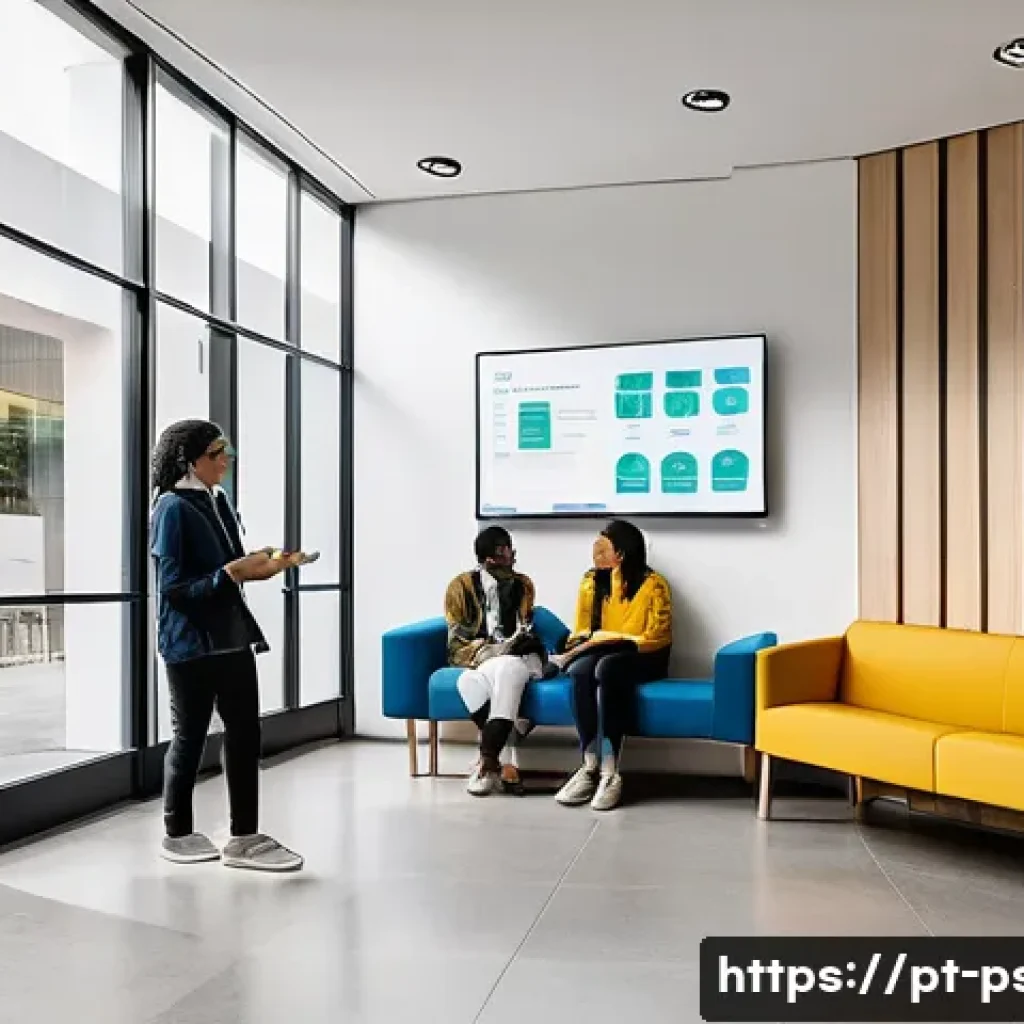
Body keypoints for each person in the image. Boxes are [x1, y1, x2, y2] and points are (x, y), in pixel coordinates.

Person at [150, 419, 304, 871]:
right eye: (217, 453)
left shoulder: (217, 501)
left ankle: (244, 835)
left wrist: (267, 564)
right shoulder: (172, 508)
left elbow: (228, 568)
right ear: (190, 461)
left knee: (244, 733)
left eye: (226, 451)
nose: (226, 460)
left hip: (231, 638)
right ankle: (176, 832)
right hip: (190, 644)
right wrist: (233, 574)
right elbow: (175, 588)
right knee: (190, 736)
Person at [553, 520, 672, 811]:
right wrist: (586, 643)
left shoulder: (654, 585)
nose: (596, 556)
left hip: (644, 655)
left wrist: (618, 640)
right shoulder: (591, 583)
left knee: (607, 668)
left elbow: (657, 637)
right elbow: (581, 628)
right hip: (601, 651)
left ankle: (611, 769)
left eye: (603, 549)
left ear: (622, 553)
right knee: (580, 670)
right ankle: (589, 763)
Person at [445, 526, 548, 796]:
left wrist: (512, 645)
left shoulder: (522, 584)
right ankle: (508, 753)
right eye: (506, 551)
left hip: (521, 657)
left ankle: (487, 760)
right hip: (483, 656)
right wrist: (491, 648)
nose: (513, 556)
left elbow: (525, 628)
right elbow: (457, 638)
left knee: (507, 665)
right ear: (491, 558)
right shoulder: (461, 587)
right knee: (468, 681)